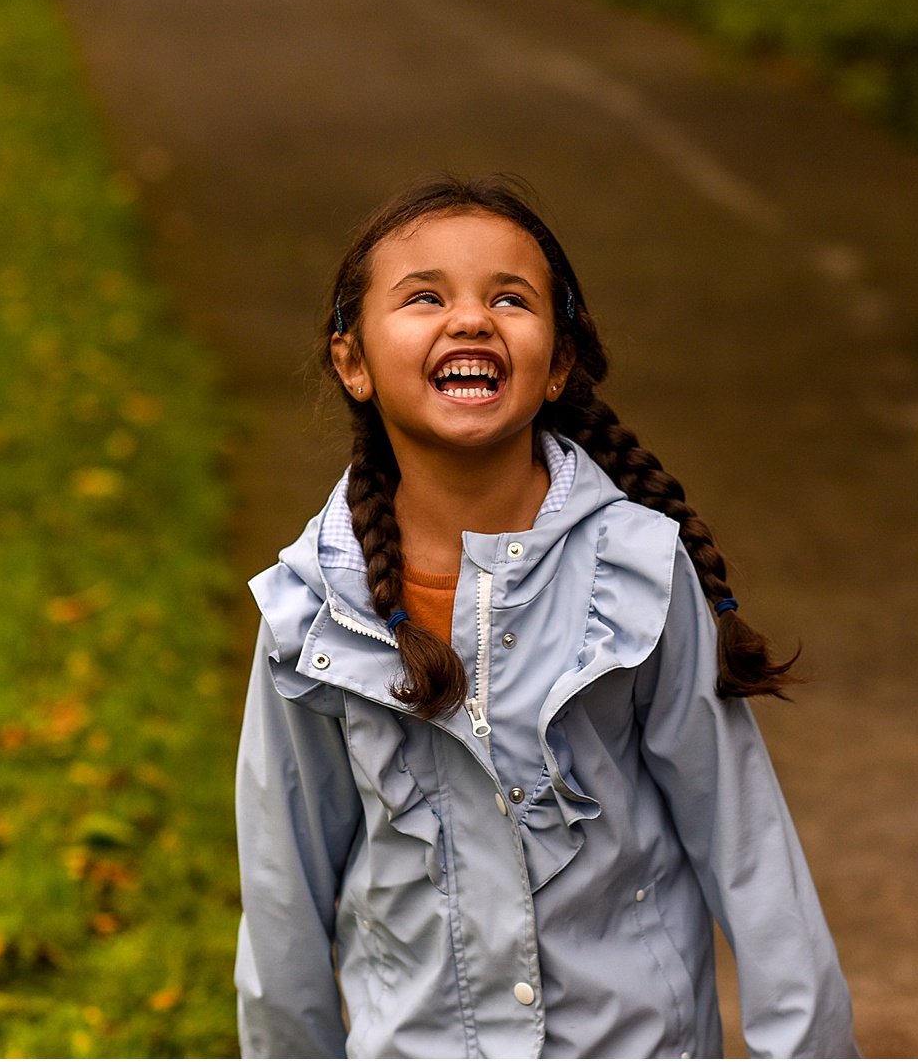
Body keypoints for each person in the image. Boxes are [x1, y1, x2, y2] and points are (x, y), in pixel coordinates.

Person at [234, 173, 858, 1059]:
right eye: (424, 296)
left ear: (559, 360)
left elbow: (748, 851)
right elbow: (283, 897)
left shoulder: (637, 570)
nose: (471, 320)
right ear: (353, 361)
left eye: (510, 298)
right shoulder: (310, 614)